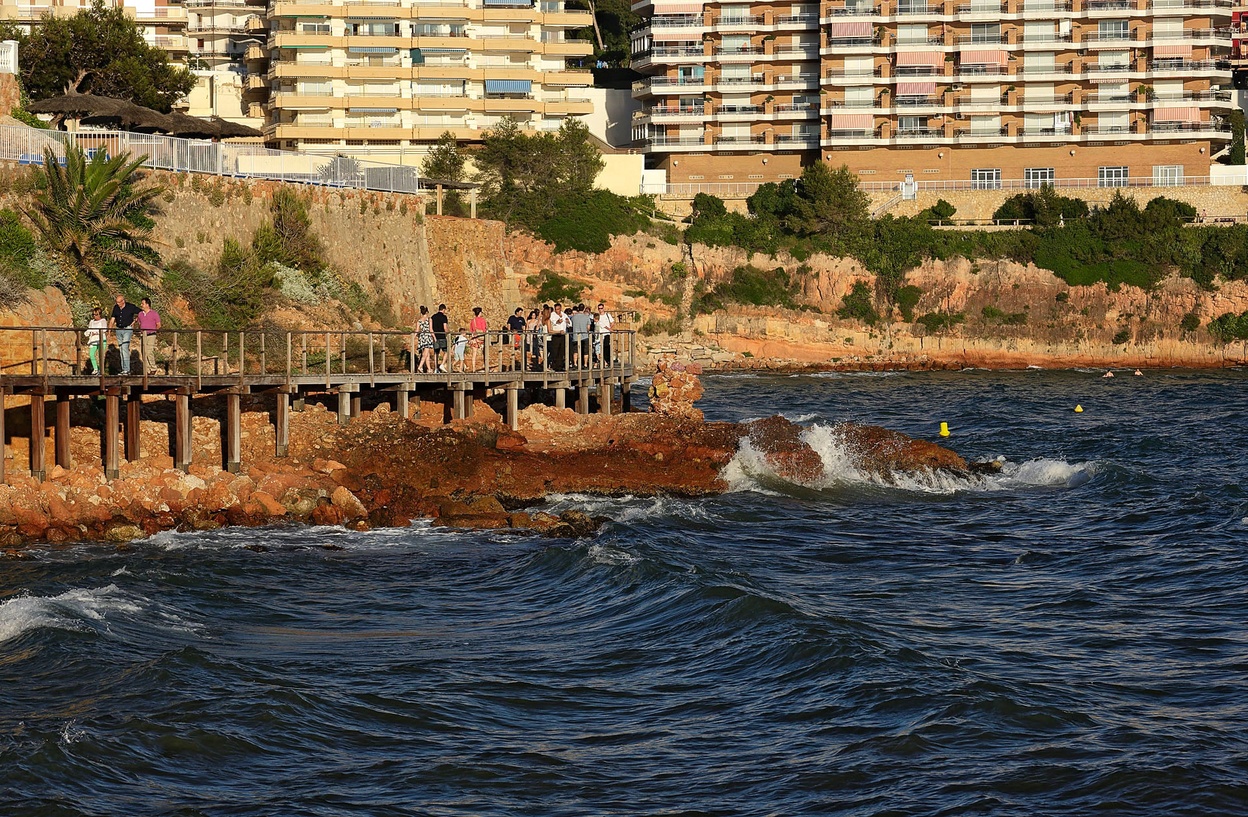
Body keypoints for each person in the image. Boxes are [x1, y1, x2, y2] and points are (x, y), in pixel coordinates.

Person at [108, 293, 140, 375]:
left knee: (125, 347)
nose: (117, 304)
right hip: (118, 329)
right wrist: (109, 331)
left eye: (119, 302)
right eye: (117, 302)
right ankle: (123, 369)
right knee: (121, 349)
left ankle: (127, 369)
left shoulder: (130, 307)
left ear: (123, 301)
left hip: (127, 329)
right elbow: (112, 320)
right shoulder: (116, 308)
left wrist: (135, 320)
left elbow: (141, 313)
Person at [136, 297, 161, 374]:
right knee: (144, 352)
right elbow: (139, 323)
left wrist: (154, 331)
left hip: (151, 334)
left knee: (149, 351)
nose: (141, 305)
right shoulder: (140, 314)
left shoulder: (154, 313)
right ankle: (147, 370)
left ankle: (153, 367)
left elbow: (158, 325)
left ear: (147, 304)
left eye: (143, 303)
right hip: (143, 335)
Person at [84, 306, 108, 375]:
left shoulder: (103, 321)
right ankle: (95, 368)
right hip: (93, 340)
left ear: (100, 314)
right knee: (91, 354)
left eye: (96, 314)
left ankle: (101, 370)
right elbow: (89, 329)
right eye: (93, 314)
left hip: (101, 339)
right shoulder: (91, 322)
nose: (94, 316)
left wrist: (96, 332)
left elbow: (104, 329)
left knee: (100, 355)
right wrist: (87, 333)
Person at [569, 303, 592, 369]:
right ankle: (585, 364)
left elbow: (571, 325)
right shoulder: (587, 317)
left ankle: (575, 364)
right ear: (584, 309)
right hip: (585, 336)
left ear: (578, 308)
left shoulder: (573, 317)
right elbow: (588, 328)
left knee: (575, 351)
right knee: (585, 351)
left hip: (575, 336)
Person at [416, 305, 436, 373]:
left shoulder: (419, 321)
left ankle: (429, 369)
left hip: (422, 337)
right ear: (427, 312)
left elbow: (417, 330)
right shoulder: (429, 319)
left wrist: (414, 337)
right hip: (427, 337)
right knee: (425, 353)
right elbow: (431, 329)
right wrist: (434, 337)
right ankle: (420, 366)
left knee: (427, 354)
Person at [431, 303, 450, 372]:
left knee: (436, 352)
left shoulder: (433, 317)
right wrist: (448, 333)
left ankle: (436, 368)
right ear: (443, 309)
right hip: (442, 336)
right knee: (446, 351)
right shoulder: (444, 317)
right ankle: (442, 364)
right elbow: (445, 327)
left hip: (435, 336)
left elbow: (431, 327)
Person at [468, 306, 487, 372]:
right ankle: (485, 366)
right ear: (480, 313)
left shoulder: (473, 320)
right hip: (481, 338)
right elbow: (484, 329)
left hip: (474, 338)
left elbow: (471, 330)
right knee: (484, 353)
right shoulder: (482, 320)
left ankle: (473, 368)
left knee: (474, 354)